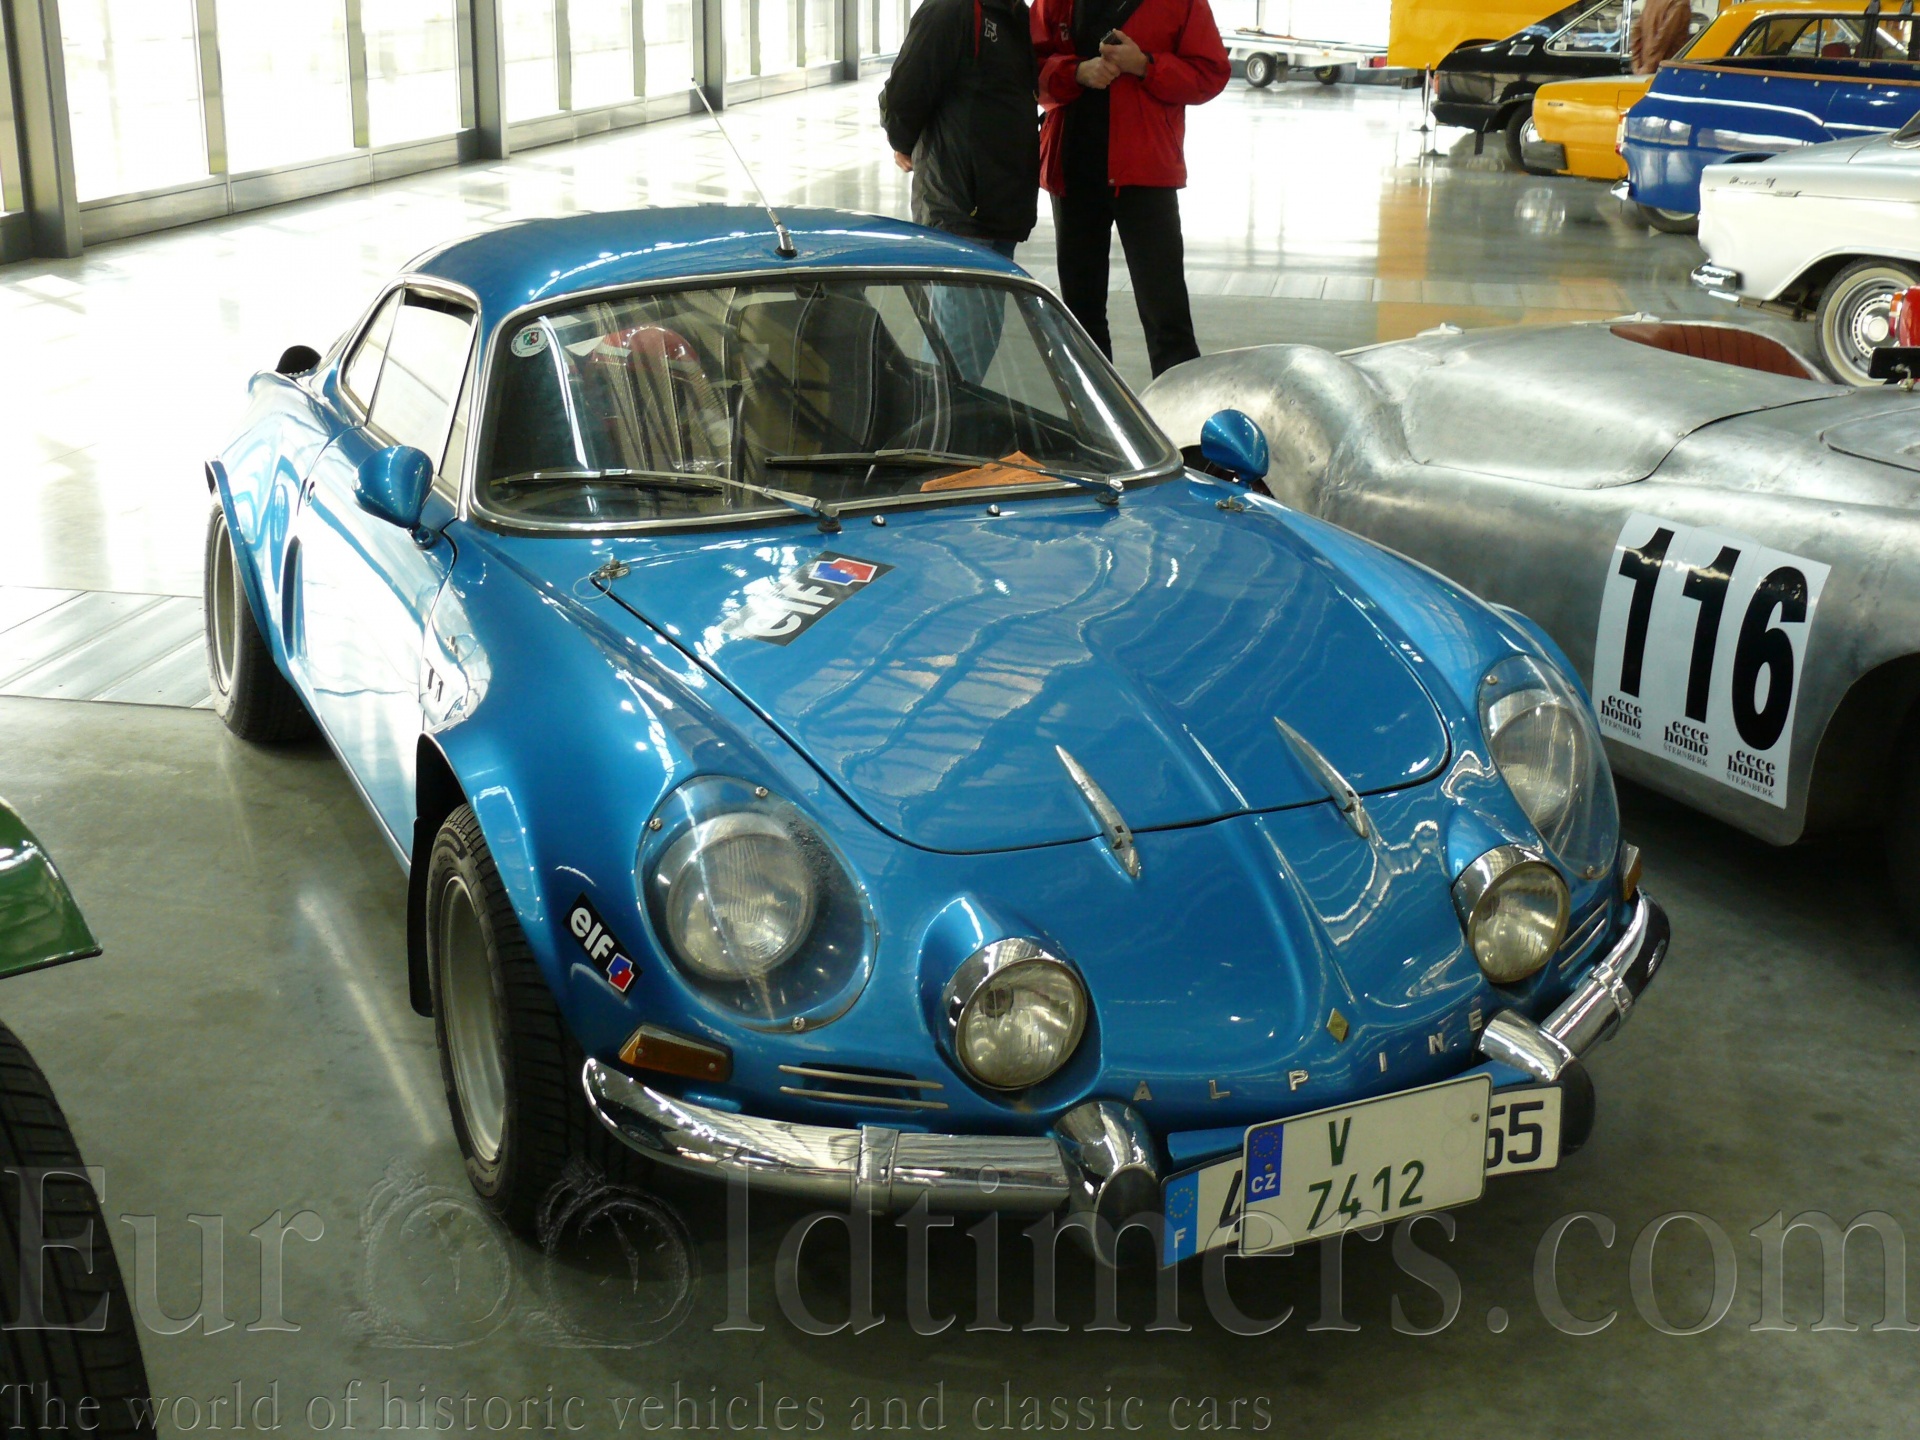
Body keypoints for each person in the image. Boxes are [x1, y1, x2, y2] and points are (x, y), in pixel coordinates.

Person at [1032, 0, 1228, 377]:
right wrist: (1076, 72)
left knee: (1166, 316)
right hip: (1073, 171)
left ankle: (1179, 408)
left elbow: (1210, 73)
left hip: (1145, 172)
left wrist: (1145, 65)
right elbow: (1028, 67)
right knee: (1080, 316)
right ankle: (1092, 410)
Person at [880, 0, 1040, 259]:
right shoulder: (951, 8)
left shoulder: (1016, 12)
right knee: (960, 284)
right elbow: (903, 96)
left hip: (1004, 206)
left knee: (993, 286)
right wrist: (903, 143)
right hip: (959, 208)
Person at [1630, 0, 1692, 74]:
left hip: (1647, 67)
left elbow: (1636, 32)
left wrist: (1637, 64)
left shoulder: (1651, 2)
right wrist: (1649, 67)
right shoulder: (1680, 2)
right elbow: (1665, 37)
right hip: (1668, 69)